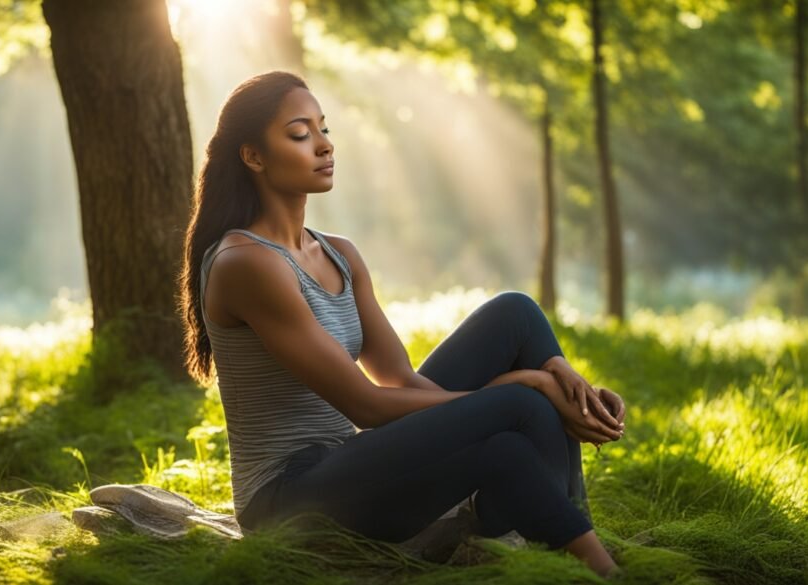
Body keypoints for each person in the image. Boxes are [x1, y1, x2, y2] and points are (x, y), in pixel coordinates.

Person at [178, 70, 628, 579]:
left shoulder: (338, 253)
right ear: (253, 156)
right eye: (300, 134)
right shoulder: (248, 263)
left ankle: (550, 540)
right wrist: (514, 387)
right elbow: (366, 404)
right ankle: (598, 568)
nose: (324, 146)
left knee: (516, 313)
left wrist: (556, 372)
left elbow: (403, 381)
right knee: (524, 405)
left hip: (350, 464)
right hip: (287, 498)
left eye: (325, 130)